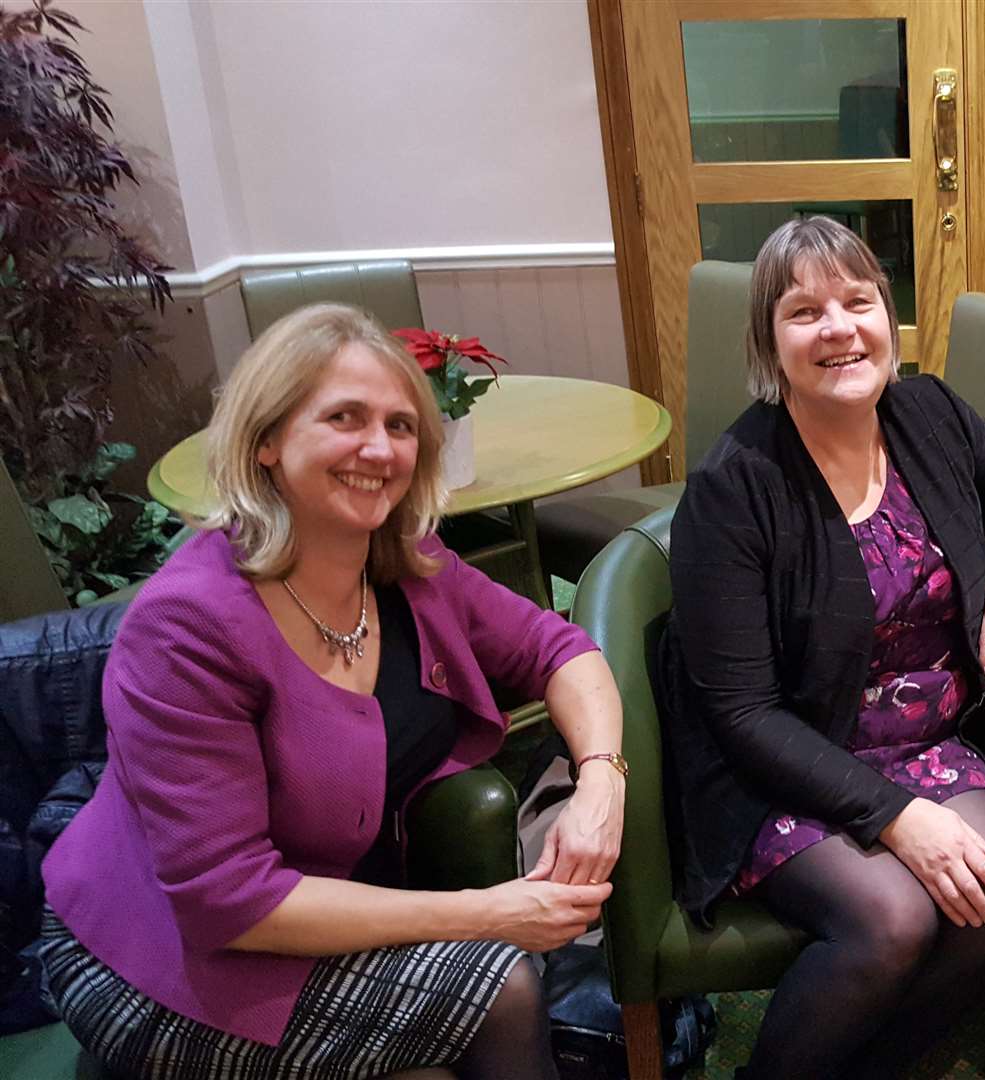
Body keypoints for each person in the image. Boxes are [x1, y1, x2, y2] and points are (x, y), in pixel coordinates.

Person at [40, 304, 625, 1080]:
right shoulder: (187, 626)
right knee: (502, 988)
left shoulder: (409, 564)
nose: (378, 449)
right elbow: (228, 899)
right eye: (344, 418)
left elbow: (562, 649)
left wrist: (598, 783)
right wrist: (488, 913)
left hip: (324, 914)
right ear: (267, 441)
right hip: (158, 954)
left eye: (401, 425)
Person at [657, 216, 985, 1078]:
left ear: (888, 316)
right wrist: (897, 818)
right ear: (771, 345)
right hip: (789, 760)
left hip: (927, 743)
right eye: (805, 312)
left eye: (859, 301)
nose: (840, 328)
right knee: (892, 917)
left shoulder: (927, 412)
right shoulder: (734, 486)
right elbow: (740, 712)